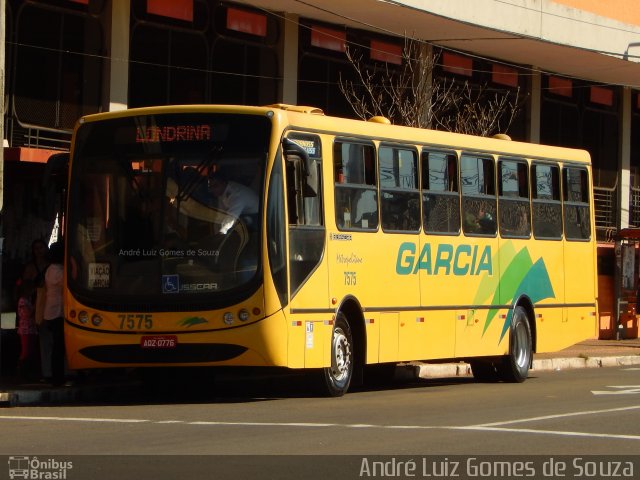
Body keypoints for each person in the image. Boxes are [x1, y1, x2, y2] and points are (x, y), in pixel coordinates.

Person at [42, 240, 65, 386]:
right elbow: (68, 280)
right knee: (58, 346)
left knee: (57, 345)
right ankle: (57, 376)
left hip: (52, 310)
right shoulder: (57, 271)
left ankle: (58, 375)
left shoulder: (51, 269)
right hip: (56, 311)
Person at [15, 286, 39, 381]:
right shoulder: (22, 300)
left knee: (30, 351)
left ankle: (27, 373)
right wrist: (35, 305)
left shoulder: (28, 299)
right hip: (25, 329)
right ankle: (21, 374)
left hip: (31, 329)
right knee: (25, 352)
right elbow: (27, 313)